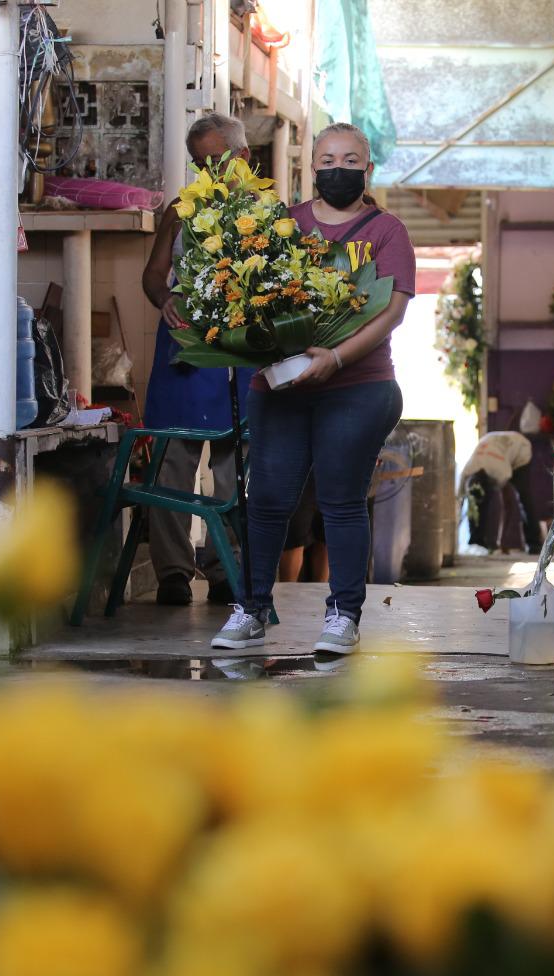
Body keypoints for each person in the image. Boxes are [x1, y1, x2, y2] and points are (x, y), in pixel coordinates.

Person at [211, 122, 415, 654]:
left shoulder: (387, 232)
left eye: (351, 160)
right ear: (312, 167)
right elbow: (247, 292)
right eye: (328, 159)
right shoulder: (280, 225)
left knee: (341, 501)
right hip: (280, 386)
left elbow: (391, 310)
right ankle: (251, 608)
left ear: (367, 169)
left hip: (359, 387)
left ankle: (343, 615)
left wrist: (338, 356)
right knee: (267, 501)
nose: (338, 169)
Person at [140, 112, 254, 606]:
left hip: (243, 355)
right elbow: (153, 275)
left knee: (235, 470)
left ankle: (225, 569)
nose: (209, 173)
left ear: (244, 157)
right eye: (200, 165)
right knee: (171, 464)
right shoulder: (181, 211)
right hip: (185, 349)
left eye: (218, 161)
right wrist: (163, 299)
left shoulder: (268, 213)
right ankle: (172, 573)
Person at [462, 429, 542, 553]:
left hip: (521, 449)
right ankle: (477, 541)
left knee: (523, 496)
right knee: (477, 502)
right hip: (495, 447)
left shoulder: (500, 471)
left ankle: (534, 543)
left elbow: (507, 503)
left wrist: (502, 540)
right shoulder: (467, 470)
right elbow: (461, 497)